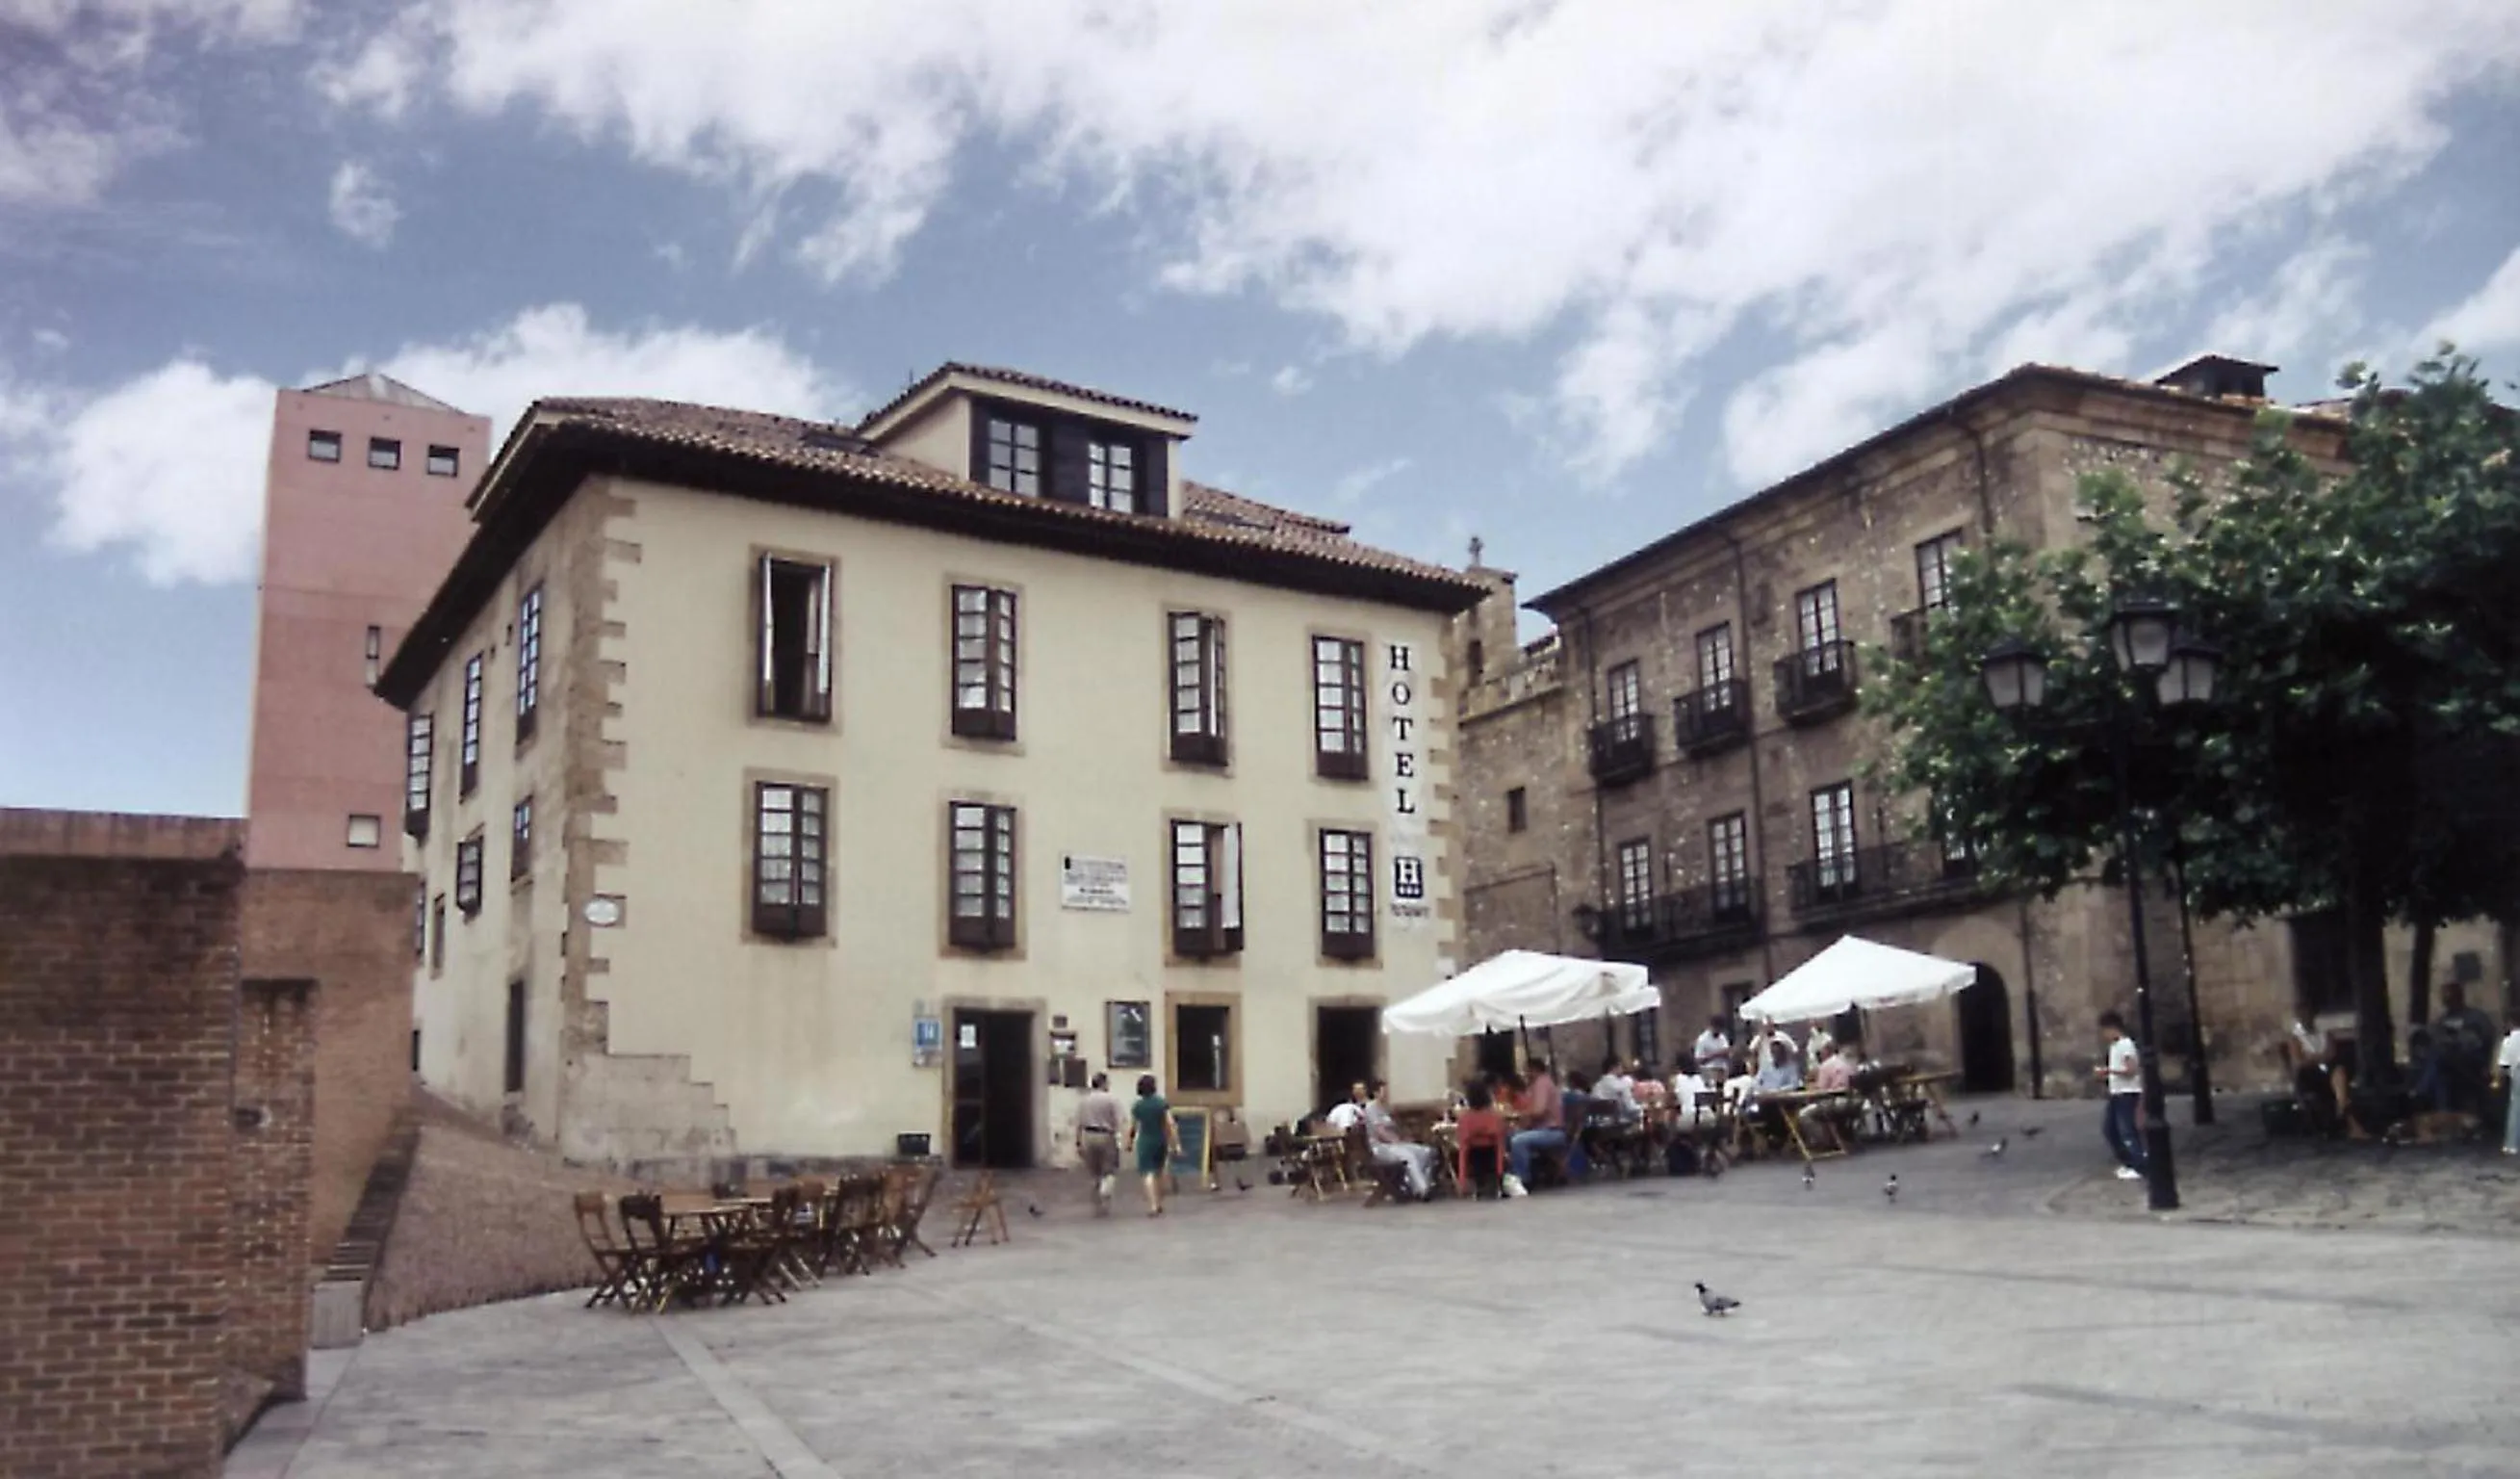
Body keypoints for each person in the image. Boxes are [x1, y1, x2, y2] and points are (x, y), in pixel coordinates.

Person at [1364, 1079, 1438, 1200]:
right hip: (1381, 1147)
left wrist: (1405, 1138)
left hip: (1396, 1144)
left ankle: (1415, 1184)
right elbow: (1380, 1131)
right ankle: (1422, 1189)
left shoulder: (1387, 1108)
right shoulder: (1371, 1108)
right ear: (1376, 1093)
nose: (1387, 1094)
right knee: (1408, 1156)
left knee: (1426, 1152)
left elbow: (1397, 1127)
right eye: (1384, 1091)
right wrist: (1396, 1141)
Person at [2096, 1011, 2145, 1181]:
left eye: (2104, 1031)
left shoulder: (2126, 1045)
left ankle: (2138, 1164)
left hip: (2127, 1092)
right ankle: (2129, 1161)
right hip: (2116, 1092)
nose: (2104, 1035)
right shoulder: (2114, 1046)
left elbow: (2131, 1070)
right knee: (2110, 1129)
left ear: (2112, 1028)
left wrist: (2109, 1071)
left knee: (2127, 1130)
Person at [2434, 981, 2497, 1114]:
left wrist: (2465, 1040)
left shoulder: (2476, 1017)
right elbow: (2436, 1039)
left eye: (2450, 998)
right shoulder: (2442, 1020)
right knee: (2439, 1061)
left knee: (2439, 1061)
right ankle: (2443, 1110)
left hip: (2472, 1059)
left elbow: (2486, 1039)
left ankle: (2420, 1091)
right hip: (2449, 1060)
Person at [1508, 1058, 1566, 1187]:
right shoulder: (1537, 1084)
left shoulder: (1542, 1083)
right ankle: (1516, 1174)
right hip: (1542, 1129)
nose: (1525, 1073)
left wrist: (1520, 1115)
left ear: (1534, 1070)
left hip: (1552, 1131)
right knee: (1508, 1136)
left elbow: (1539, 1111)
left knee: (1518, 1141)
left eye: (1527, 1070)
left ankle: (1523, 1179)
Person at [1126, 1074, 1178, 1217]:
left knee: (1147, 1172)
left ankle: (1153, 1205)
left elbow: (1133, 1127)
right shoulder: (1161, 1103)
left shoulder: (1137, 1106)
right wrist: (1175, 1143)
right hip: (1160, 1140)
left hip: (1145, 1140)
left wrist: (1129, 1143)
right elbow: (1170, 1123)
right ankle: (1159, 1202)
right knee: (1159, 1171)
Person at [1074, 1072, 1124, 1216]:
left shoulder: (1084, 1101)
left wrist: (1078, 1141)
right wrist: (1120, 1138)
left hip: (1089, 1135)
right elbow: (1119, 1120)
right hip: (1106, 1135)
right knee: (1109, 1170)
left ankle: (1097, 1206)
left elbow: (1078, 1123)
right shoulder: (1112, 1100)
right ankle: (1104, 1193)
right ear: (1103, 1084)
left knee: (1094, 1172)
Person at [1454, 1078, 1508, 1194]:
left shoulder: (1465, 1118)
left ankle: (1478, 1185)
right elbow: (1500, 1145)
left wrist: (1461, 1179)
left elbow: (1463, 1149)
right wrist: (1500, 1172)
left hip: (1474, 1157)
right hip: (1491, 1155)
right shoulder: (1494, 1116)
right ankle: (1495, 1183)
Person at [2497, 1007, 2520, 1155]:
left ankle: (2511, 1144)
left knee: (2515, 1109)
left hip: (2517, 1073)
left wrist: (2499, 1080)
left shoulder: (2508, 1040)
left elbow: (2503, 1066)